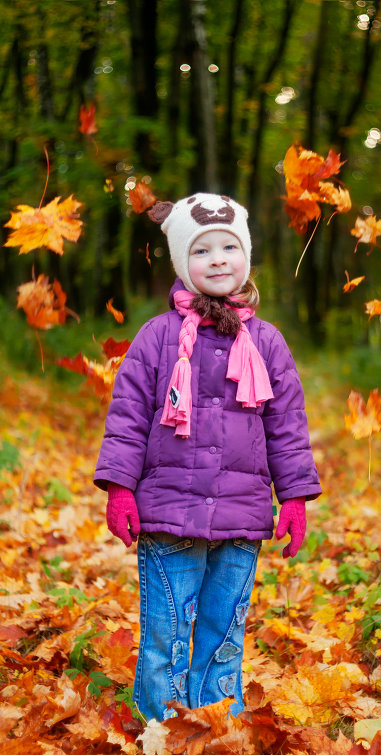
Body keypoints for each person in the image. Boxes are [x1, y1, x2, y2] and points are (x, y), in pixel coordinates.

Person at [94, 193, 321, 722]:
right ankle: (160, 731)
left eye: (228, 247)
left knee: (224, 633)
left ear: (245, 257)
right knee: (166, 633)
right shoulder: (157, 338)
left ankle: (217, 729)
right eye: (201, 251)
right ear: (181, 263)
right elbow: (128, 417)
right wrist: (121, 488)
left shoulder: (267, 343)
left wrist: (293, 499)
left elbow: (287, 426)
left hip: (242, 516)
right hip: (168, 513)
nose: (217, 259)